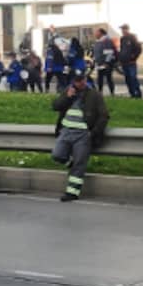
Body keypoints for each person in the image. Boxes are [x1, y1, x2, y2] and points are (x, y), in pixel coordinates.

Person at [51, 69, 109, 202]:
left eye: (82, 80)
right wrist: (67, 96)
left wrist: (92, 133)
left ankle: (72, 193)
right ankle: (70, 164)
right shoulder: (68, 91)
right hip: (66, 131)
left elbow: (104, 116)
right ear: (73, 81)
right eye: (77, 80)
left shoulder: (94, 95)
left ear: (85, 79)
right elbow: (56, 106)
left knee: (79, 164)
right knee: (57, 155)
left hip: (83, 135)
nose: (80, 83)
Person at [118, 24, 143, 98]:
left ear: (127, 29)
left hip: (131, 63)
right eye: (122, 29)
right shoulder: (122, 38)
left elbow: (139, 49)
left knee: (133, 78)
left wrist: (134, 57)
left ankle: (138, 93)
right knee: (127, 79)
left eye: (124, 29)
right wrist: (120, 59)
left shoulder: (132, 37)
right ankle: (132, 93)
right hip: (124, 62)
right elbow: (122, 49)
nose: (123, 31)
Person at [92, 28, 117, 96]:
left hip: (106, 64)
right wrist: (94, 60)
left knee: (109, 78)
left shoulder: (107, 40)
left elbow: (109, 52)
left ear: (101, 33)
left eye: (96, 32)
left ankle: (112, 93)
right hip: (99, 64)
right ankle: (100, 93)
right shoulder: (97, 41)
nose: (95, 34)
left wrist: (107, 62)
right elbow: (96, 52)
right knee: (100, 78)